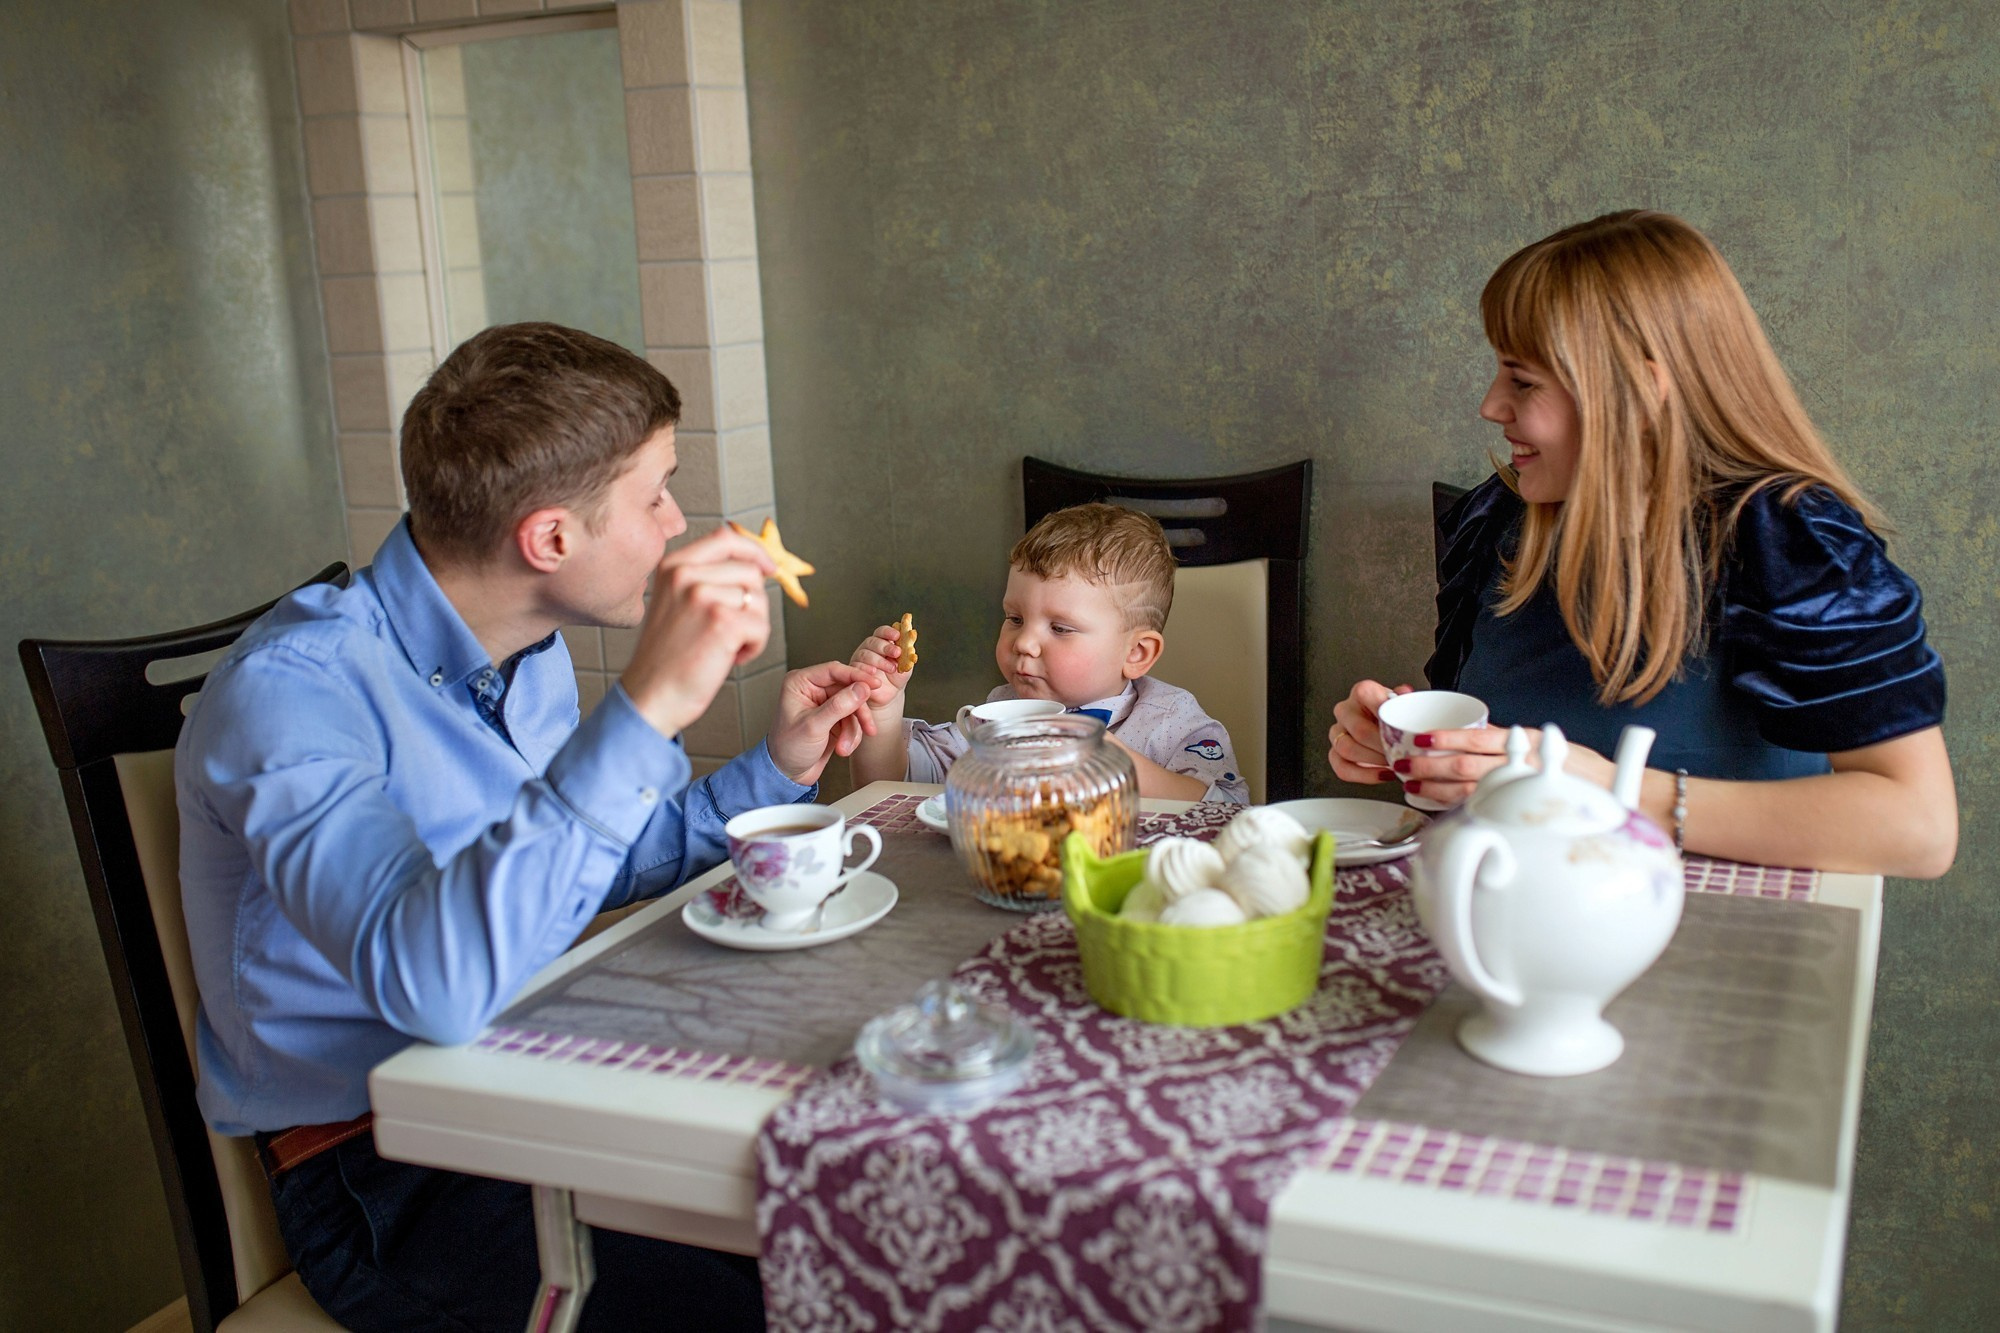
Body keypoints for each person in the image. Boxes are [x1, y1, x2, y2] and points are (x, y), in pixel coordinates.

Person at [177, 322, 884, 1330]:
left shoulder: (529, 650)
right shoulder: (289, 699)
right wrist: (643, 710)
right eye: (654, 494)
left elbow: (581, 866)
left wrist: (778, 765)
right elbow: (438, 989)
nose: (676, 519)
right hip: (386, 1171)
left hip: (536, 1083)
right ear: (550, 538)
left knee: (851, 1244)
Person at [1328, 211, 1957, 878]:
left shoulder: (1789, 541)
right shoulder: (1499, 516)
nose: (1490, 404)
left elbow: (1918, 827)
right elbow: (1494, 756)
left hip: (1721, 942)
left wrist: (1614, 791)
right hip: (1511, 919)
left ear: (1637, 391)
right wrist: (1412, 744)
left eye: (1523, 380)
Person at [847, 502, 1249, 803]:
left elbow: (1231, 813)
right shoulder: (998, 716)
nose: (1023, 642)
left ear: (1137, 653)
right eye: (1015, 618)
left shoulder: (1172, 722)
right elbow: (891, 792)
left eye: (1059, 628)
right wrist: (883, 710)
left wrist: (1110, 760)